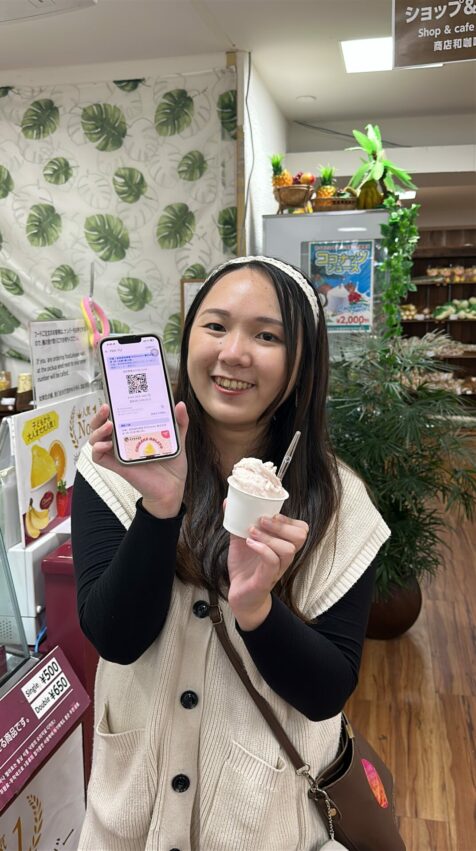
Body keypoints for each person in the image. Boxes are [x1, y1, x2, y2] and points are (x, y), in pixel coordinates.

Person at [72, 255, 390, 851]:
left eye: (266, 335)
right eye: (215, 326)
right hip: (129, 820)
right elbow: (115, 636)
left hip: (262, 823)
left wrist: (257, 611)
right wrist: (161, 508)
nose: (234, 353)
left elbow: (327, 692)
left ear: (302, 366)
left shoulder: (344, 506)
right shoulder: (111, 473)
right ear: (188, 337)